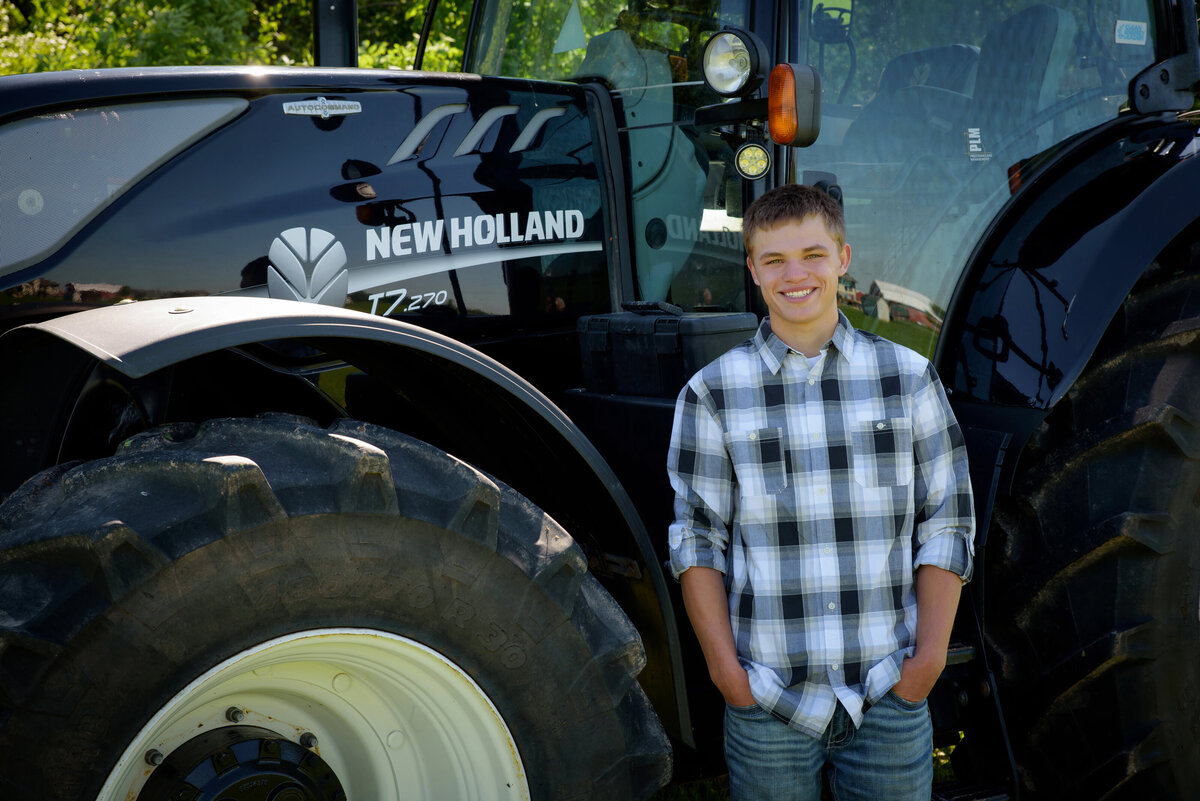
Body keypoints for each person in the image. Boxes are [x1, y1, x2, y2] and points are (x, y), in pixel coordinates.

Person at [666, 183, 975, 800]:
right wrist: (728, 675)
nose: (795, 274)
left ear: (843, 258)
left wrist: (927, 664)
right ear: (752, 270)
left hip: (888, 694)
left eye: (812, 254)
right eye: (775, 260)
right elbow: (697, 538)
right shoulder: (712, 393)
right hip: (769, 702)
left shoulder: (908, 380)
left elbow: (947, 521)